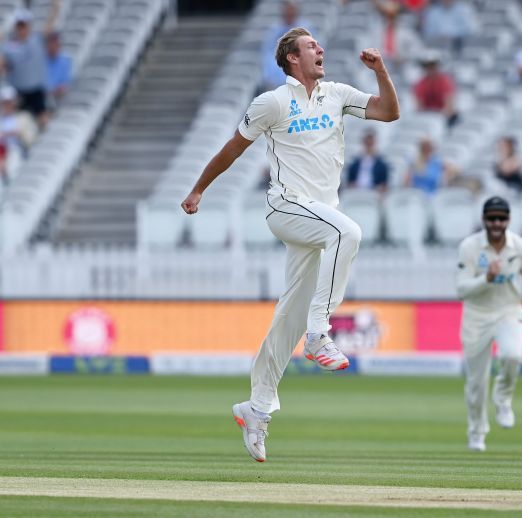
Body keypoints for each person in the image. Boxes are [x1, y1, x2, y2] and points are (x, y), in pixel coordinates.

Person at [181, 28, 399, 463]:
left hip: (320, 216)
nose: (320, 49)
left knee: (288, 318)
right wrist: (198, 189)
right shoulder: (272, 102)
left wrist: (381, 72)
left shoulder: (336, 93)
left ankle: (257, 409)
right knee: (348, 233)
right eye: (311, 46)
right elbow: (233, 149)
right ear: (291, 59)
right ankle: (320, 334)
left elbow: (389, 113)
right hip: (286, 209)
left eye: (319, 44)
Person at [456, 196, 522, 452]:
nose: (496, 223)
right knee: (476, 382)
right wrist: (487, 278)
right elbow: (461, 289)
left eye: (501, 218)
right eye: (492, 218)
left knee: (513, 356)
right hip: (477, 315)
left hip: (509, 309)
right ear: (483, 220)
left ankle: (503, 398)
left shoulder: (521, 246)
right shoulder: (470, 247)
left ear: (509, 220)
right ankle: (476, 432)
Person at [2, 3, 61, 128]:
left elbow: (50, 25)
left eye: (24, 24)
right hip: (18, 91)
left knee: (43, 120)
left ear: (29, 25)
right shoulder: (8, 47)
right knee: (15, 123)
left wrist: (56, 6)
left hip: (36, 90)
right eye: (20, 25)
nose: (22, 28)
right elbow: (3, 67)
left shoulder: (37, 39)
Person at [261, 1, 314, 92]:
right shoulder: (274, 30)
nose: (289, 13)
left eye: (291, 10)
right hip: (276, 82)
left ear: (296, 12)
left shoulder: (305, 29)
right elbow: (267, 54)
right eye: (287, 10)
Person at [412, 51, 458, 128]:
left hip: (445, 119)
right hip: (427, 118)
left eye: (432, 65)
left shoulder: (445, 82)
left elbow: (449, 106)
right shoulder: (420, 84)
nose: (430, 69)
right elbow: (420, 106)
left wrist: (439, 119)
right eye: (428, 66)